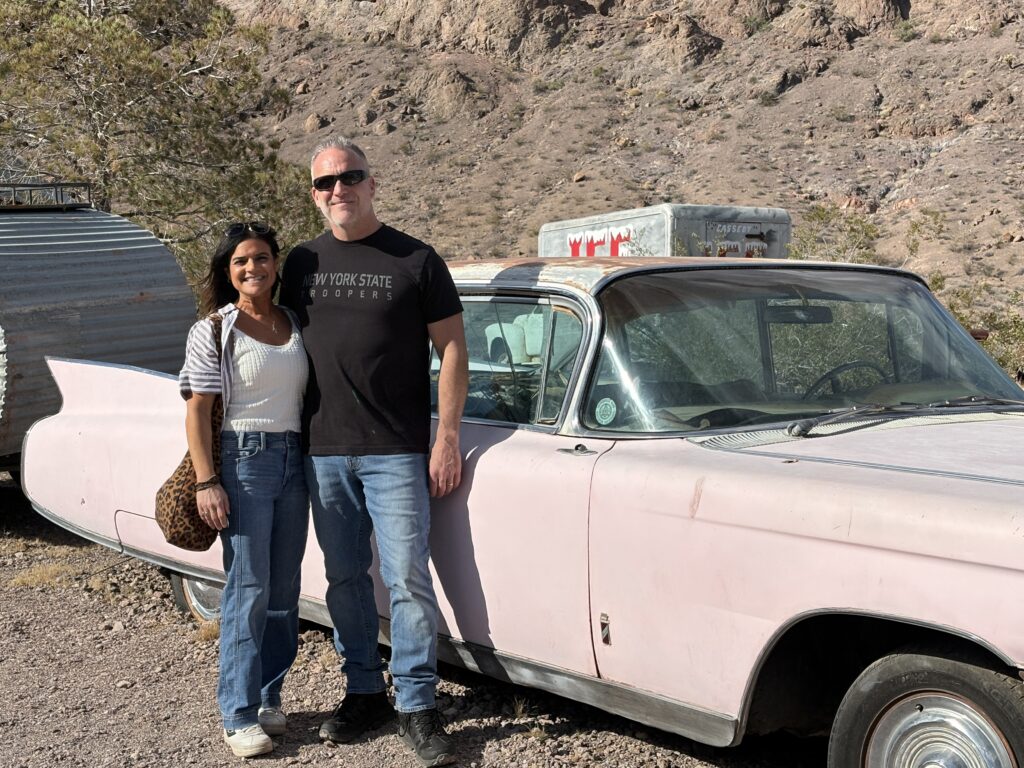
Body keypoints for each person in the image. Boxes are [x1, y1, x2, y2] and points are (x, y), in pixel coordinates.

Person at [280, 136, 468, 767]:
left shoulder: (416, 259)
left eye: (349, 177)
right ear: (314, 195)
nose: (339, 190)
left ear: (372, 182)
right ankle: (364, 691)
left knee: (407, 577)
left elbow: (453, 352)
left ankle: (417, 704)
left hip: (397, 449)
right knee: (343, 579)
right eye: (325, 183)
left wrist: (447, 437)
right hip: (323, 448)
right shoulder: (299, 264)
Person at [179, 222, 309, 758]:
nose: (252, 268)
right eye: (240, 262)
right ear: (227, 271)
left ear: (276, 264)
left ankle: (267, 696)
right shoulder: (214, 329)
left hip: (294, 461)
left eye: (260, 258)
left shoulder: (295, 322)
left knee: (283, 590)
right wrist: (208, 481)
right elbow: (197, 410)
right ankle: (235, 712)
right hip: (243, 459)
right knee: (247, 588)